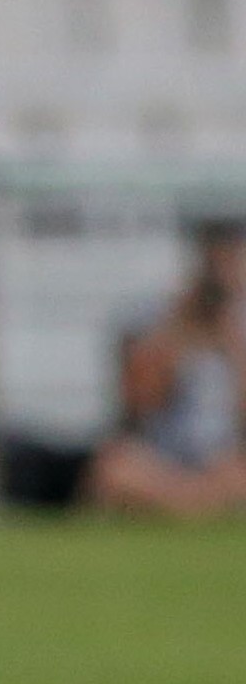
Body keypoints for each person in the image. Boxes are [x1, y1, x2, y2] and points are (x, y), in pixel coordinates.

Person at [86, 220, 246, 515]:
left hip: (221, 463)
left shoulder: (237, 331)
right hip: (164, 461)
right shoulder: (163, 321)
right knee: (114, 467)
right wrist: (177, 339)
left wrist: (231, 345)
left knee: (235, 474)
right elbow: (139, 405)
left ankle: (184, 508)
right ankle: (197, 507)